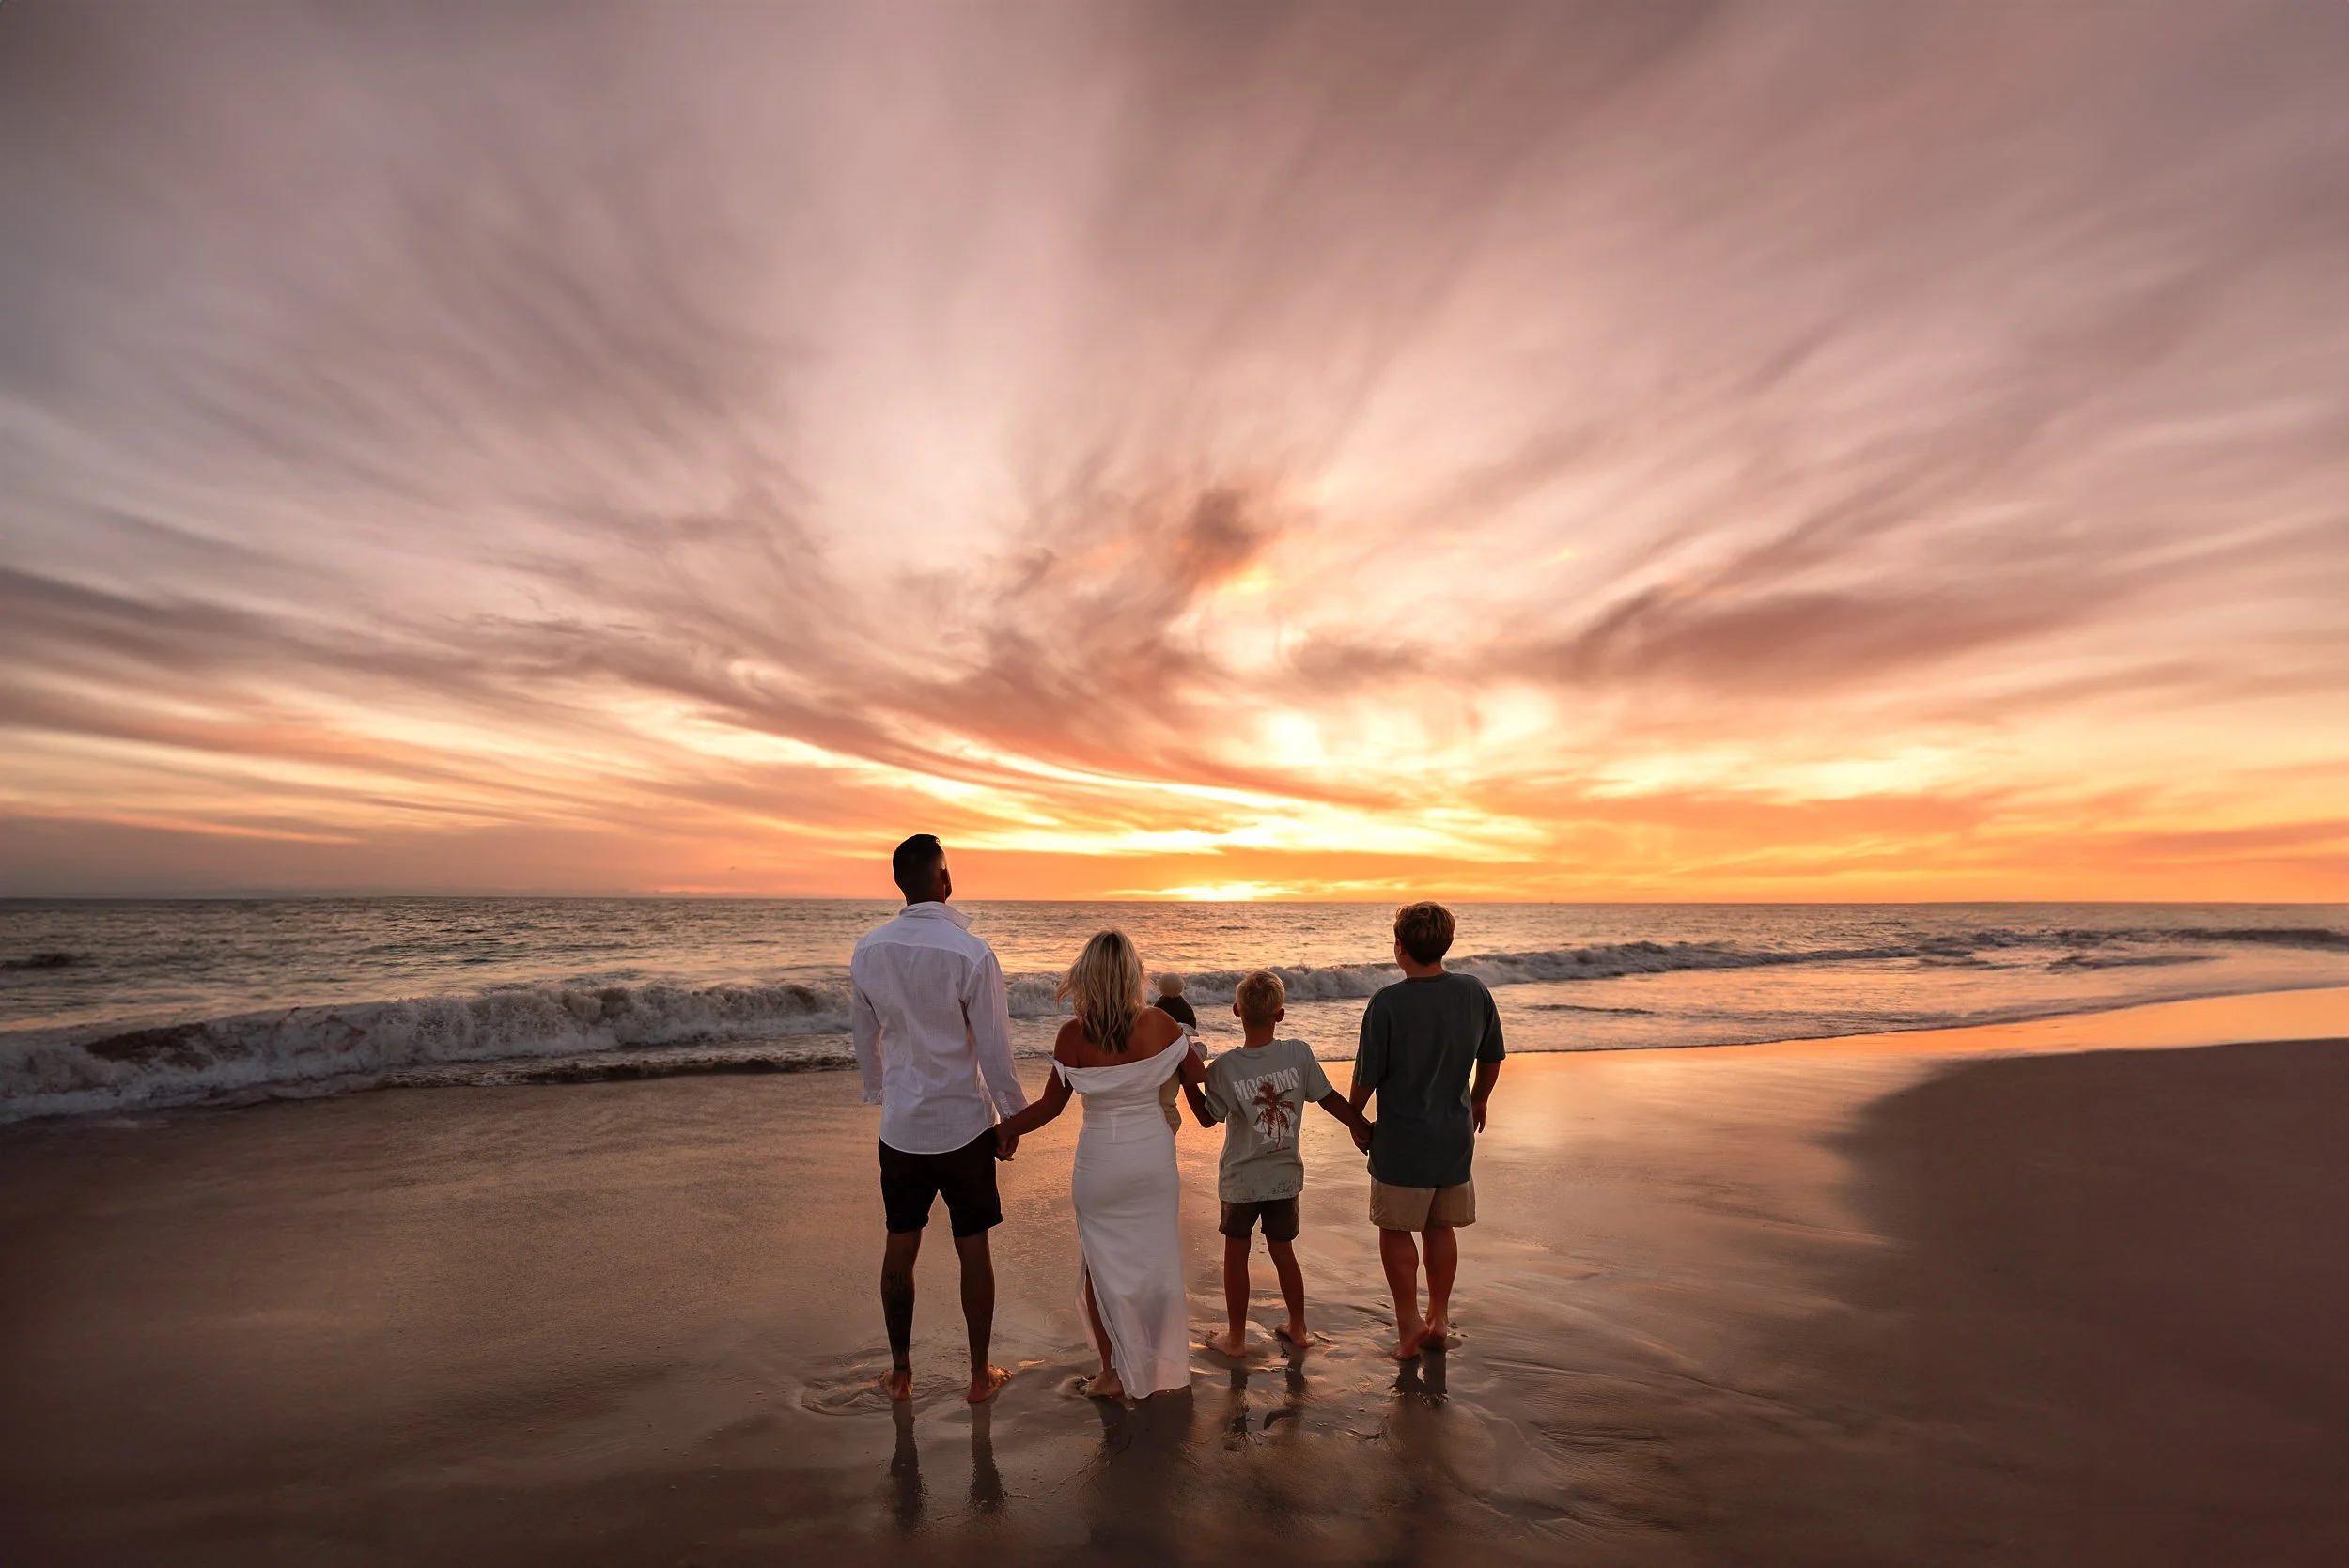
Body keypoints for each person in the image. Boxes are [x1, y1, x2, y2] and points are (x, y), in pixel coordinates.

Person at [992, 931, 1212, 1401]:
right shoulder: (1162, 1025)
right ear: (1135, 975)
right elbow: (1204, 1082)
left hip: (1100, 1164)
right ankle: (1160, 1362)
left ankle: (1111, 1371)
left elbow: (1051, 1107)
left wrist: (1002, 1129)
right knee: (1157, 1262)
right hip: (1152, 1159)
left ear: (1086, 977)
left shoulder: (1073, 1034)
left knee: (1099, 1267)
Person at [851, 833, 1029, 1405]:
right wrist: (1013, 1118)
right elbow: (997, 1049)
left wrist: (879, 1090)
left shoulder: (869, 951)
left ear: (901, 884)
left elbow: (865, 1037)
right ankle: (979, 1376)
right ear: (944, 881)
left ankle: (901, 1373)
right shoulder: (970, 953)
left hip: (902, 1127)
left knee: (900, 1245)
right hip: (962, 1126)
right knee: (971, 1246)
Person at [1347, 901, 1504, 1359]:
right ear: (1446, 944)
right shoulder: (1474, 992)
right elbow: (1491, 1058)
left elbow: (1367, 1075)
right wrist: (1479, 1098)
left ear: (1399, 947)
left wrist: (1356, 1118)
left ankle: (1408, 1324)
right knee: (1440, 1226)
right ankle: (1437, 1316)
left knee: (1396, 1229)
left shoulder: (1388, 1002)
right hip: (1454, 1136)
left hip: (1402, 1140)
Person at [1197, 970, 1369, 1358]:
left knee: (1236, 1255)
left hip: (1241, 1180)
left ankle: (1237, 1339)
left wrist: (1189, 1079)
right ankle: (1299, 1327)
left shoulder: (1223, 1069)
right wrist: (1361, 1127)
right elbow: (1328, 1097)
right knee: (1283, 1252)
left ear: (1236, 1011)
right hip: (1284, 1178)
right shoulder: (1298, 1054)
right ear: (1281, 1014)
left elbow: (1208, 1118)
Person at [1150, 972, 1204, 1134]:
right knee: (1166, 1101)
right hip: (1180, 1051)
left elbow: (1153, 1023)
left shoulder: (1159, 1006)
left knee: (1164, 1099)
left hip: (1162, 1054)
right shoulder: (1183, 1007)